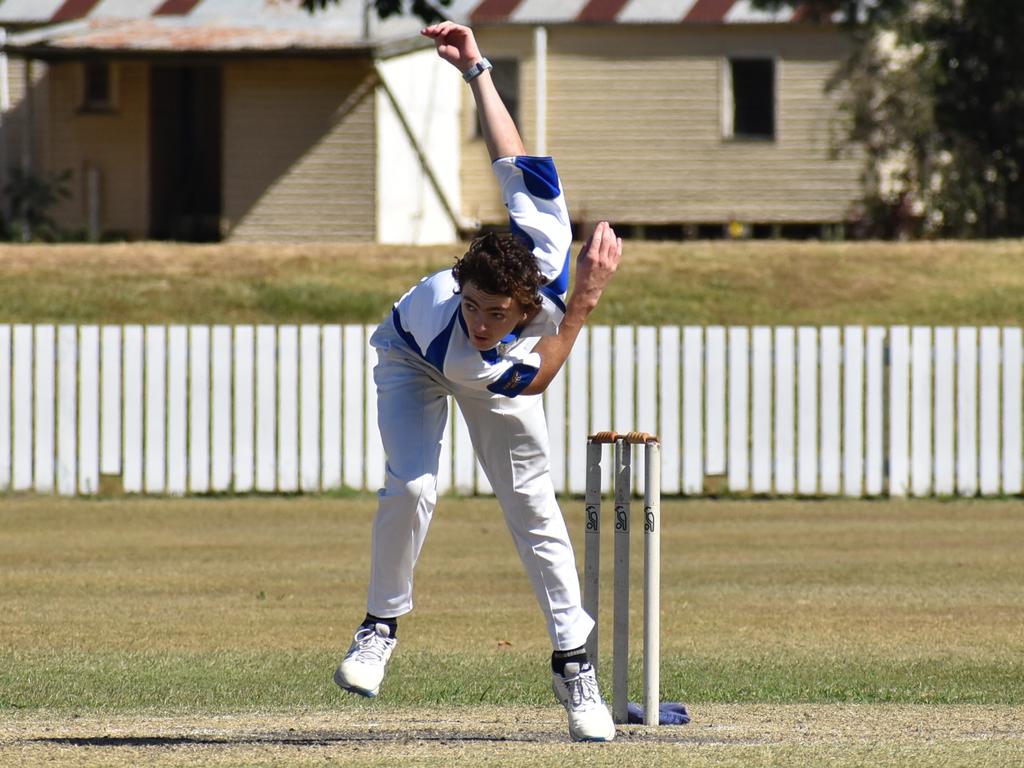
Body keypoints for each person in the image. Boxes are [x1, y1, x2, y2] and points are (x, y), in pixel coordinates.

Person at [333, 21, 622, 743]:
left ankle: (573, 664)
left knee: (532, 507)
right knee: (413, 486)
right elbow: (535, 381)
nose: (482, 321)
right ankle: (380, 626)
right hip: (412, 360)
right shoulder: (462, 339)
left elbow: (509, 154)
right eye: (472, 305)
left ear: (527, 301)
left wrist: (476, 70)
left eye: (494, 313)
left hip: (511, 358)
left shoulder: (548, 248)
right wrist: (585, 305)